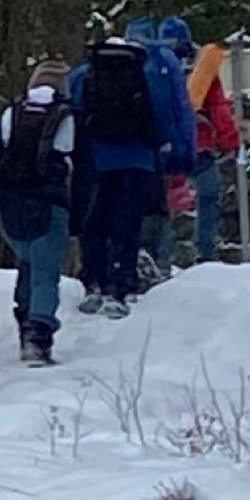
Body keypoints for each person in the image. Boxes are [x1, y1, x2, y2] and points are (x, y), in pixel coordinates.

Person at [71, 17, 198, 319]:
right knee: (126, 225)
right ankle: (119, 287)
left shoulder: (89, 70)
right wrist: (179, 153)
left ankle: (93, 284)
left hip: (96, 158)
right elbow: (171, 111)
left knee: (95, 222)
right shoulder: (152, 67)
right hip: (139, 158)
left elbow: (74, 108)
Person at [0, 61, 78, 366]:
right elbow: (71, 159)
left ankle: (24, 321)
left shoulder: (11, 112)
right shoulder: (65, 115)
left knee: (26, 263)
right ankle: (38, 336)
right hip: (47, 200)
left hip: (9, 204)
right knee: (45, 272)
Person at [184, 43, 244, 263]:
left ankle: (158, 256)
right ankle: (205, 253)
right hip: (201, 147)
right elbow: (219, 110)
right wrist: (231, 142)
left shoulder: (150, 67)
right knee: (208, 198)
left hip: (163, 147)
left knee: (161, 204)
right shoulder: (204, 71)